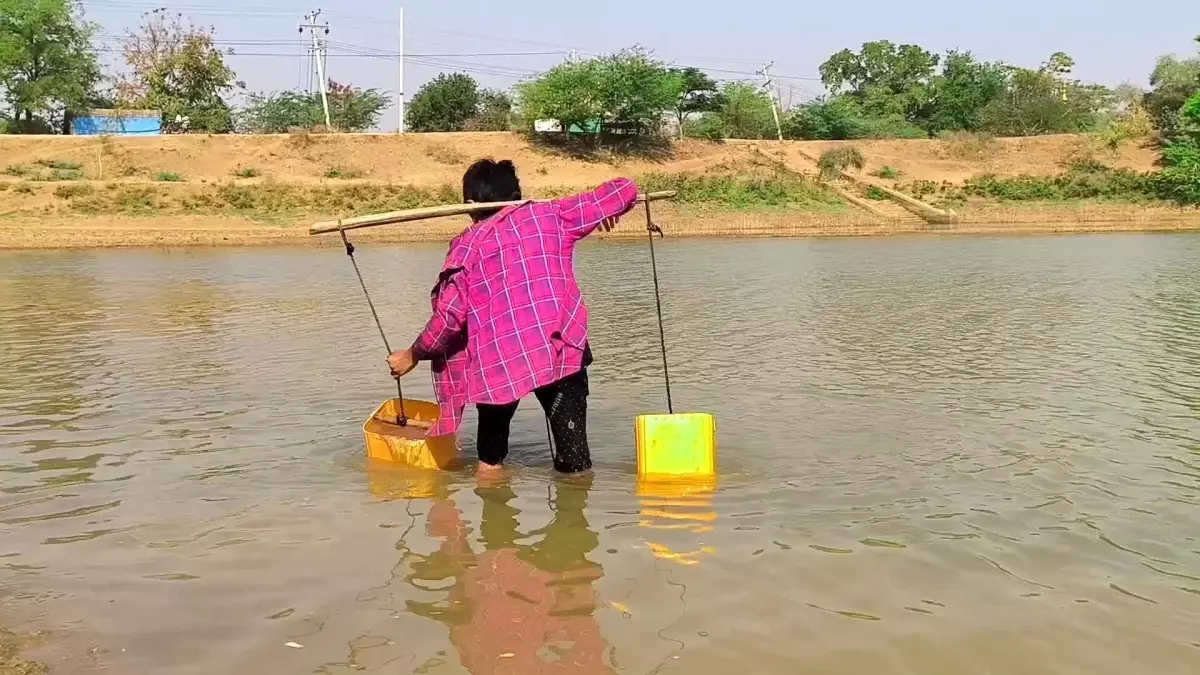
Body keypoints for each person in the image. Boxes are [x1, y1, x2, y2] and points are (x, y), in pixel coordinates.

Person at [387, 159, 639, 474]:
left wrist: (412, 354)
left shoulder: (465, 248)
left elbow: (448, 320)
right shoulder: (553, 215)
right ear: (516, 194)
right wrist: (609, 212)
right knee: (575, 466)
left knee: (489, 464)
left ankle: (492, 511)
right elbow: (624, 189)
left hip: (499, 364)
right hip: (558, 350)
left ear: (469, 204)